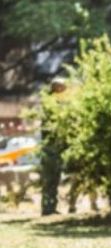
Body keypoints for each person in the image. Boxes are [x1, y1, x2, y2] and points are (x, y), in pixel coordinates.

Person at [40, 77, 68, 216]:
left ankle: (51, 207)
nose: (64, 90)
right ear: (55, 87)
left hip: (56, 146)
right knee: (49, 179)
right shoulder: (50, 102)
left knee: (55, 178)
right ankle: (47, 208)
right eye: (61, 87)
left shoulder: (59, 101)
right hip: (50, 147)